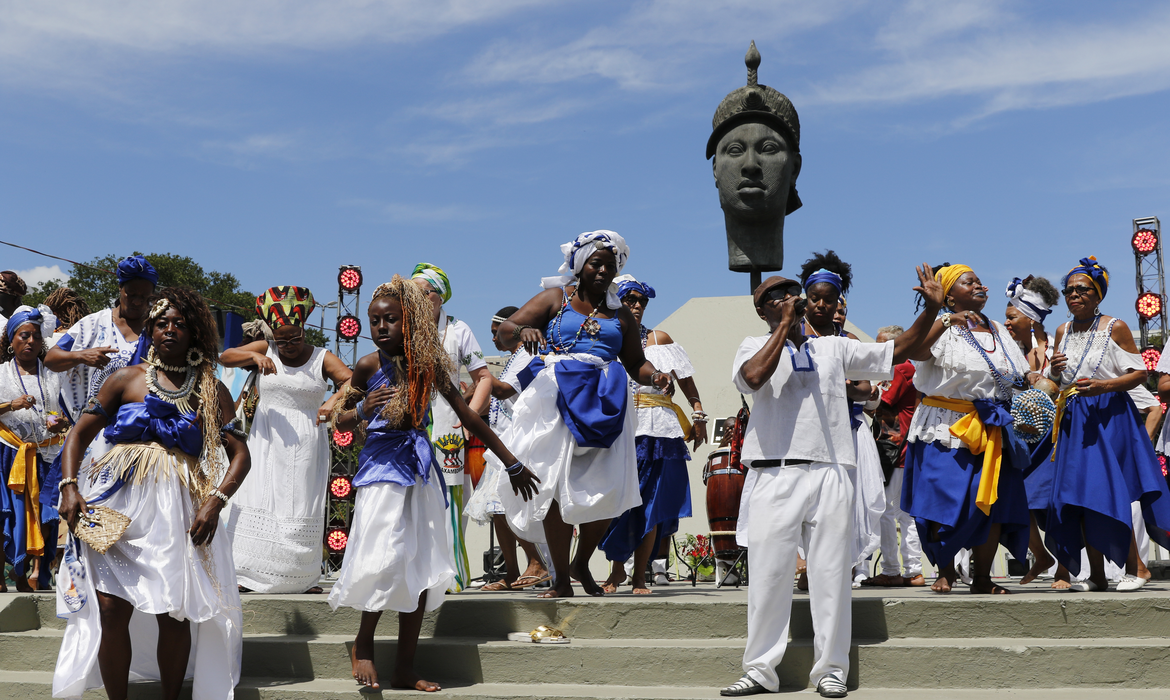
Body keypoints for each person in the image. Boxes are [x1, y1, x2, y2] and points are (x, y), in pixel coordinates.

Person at [720, 267, 943, 698]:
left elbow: (901, 349)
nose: (789, 300)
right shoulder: (752, 346)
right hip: (773, 471)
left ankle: (830, 670)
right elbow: (752, 379)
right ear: (762, 309)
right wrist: (784, 328)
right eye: (777, 298)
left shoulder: (835, 347)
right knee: (768, 576)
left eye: (792, 295)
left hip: (832, 470)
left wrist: (933, 308)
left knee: (832, 576)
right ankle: (760, 670)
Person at [327, 276, 538, 692]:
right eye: (374, 320)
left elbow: (471, 415)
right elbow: (338, 420)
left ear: (411, 322)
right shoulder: (369, 366)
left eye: (391, 319)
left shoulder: (430, 365)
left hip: (421, 471)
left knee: (420, 566)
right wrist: (362, 411)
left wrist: (511, 461)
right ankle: (364, 643)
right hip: (382, 470)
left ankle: (406, 665)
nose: (382, 327)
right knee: (383, 556)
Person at [53, 287, 250, 700]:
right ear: (151, 329)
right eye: (162, 323)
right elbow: (77, 436)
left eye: (180, 323)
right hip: (115, 505)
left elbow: (240, 456)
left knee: (173, 613)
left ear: (195, 332)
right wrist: (70, 487)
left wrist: (215, 501)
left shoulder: (211, 390)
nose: (170, 330)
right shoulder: (124, 378)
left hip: (176, 511)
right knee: (111, 610)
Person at [495, 230, 671, 599]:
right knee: (556, 486)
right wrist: (526, 328)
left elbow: (635, 362)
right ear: (580, 265)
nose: (604, 270)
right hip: (558, 395)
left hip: (607, 399)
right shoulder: (555, 298)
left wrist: (654, 376)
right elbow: (508, 331)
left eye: (611, 264)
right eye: (596, 263)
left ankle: (582, 562)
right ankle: (561, 577)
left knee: (607, 489)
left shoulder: (620, 313)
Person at [901, 264, 1035, 595]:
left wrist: (1033, 381)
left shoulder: (998, 330)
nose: (979, 285)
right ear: (948, 295)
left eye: (978, 280)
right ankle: (944, 570)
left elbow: (1016, 375)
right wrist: (942, 317)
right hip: (946, 426)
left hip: (992, 426)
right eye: (968, 281)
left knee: (989, 503)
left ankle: (982, 577)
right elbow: (916, 351)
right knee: (940, 499)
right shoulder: (941, 325)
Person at [1042, 257, 1170, 592]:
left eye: (1082, 289)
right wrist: (1054, 372)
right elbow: (1057, 382)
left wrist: (1103, 386)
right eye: (1068, 290)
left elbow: (1141, 374)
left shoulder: (1116, 326)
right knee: (1080, 494)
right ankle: (1096, 575)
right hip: (1074, 416)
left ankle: (1138, 568)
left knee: (1109, 490)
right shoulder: (1062, 330)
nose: (1074, 295)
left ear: (1097, 294)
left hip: (1109, 413)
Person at [221, 286, 353, 594]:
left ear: (305, 330)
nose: (289, 345)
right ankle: (248, 574)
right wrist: (254, 353)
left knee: (300, 504)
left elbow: (351, 380)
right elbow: (225, 356)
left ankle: (300, 577)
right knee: (258, 498)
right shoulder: (266, 348)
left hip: (307, 440)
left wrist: (333, 401)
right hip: (266, 440)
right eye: (283, 340)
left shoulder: (322, 357)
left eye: (295, 339)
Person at [599, 274, 707, 594]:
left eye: (641, 301)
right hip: (619, 429)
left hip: (658, 429)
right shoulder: (603, 338)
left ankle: (639, 576)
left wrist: (698, 413)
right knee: (619, 502)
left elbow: (685, 379)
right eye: (629, 299)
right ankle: (617, 569)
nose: (636, 306)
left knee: (651, 503)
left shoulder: (659, 339)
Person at [797, 252, 884, 589]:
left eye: (828, 299)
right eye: (814, 297)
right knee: (806, 505)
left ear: (837, 304)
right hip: (804, 435)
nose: (820, 304)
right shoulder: (791, 338)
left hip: (845, 432)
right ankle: (808, 567)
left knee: (843, 504)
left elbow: (864, 389)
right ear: (805, 298)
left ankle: (842, 566)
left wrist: (840, 384)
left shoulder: (848, 343)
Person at [410, 263, 491, 593]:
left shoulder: (458, 330)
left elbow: (484, 378)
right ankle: (415, 576)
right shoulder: (400, 327)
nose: (412, 298)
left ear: (437, 298)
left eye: (419, 292)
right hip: (409, 428)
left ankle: (453, 578)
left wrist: (470, 417)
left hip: (447, 429)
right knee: (410, 501)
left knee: (450, 504)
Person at [465, 306, 550, 591]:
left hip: (519, 443)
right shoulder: (513, 358)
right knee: (495, 509)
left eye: (496, 332)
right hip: (501, 442)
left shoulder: (531, 354)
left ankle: (536, 563)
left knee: (503, 506)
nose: (493, 339)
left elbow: (503, 391)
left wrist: (480, 379)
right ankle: (512, 572)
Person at [0, 305, 68, 592]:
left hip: (46, 455)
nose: (30, 342)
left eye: (36, 337)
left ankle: (36, 573)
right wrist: (10, 405)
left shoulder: (54, 376)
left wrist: (60, 423)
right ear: (11, 340)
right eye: (24, 335)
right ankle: (6, 574)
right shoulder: (1, 373)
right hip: (8, 452)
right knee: (7, 513)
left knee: (45, 515)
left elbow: (67, 415)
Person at [45, 255, 157, 422]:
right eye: (131, 294)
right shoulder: (92, 324)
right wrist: (81, 356)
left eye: (144, 298)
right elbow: (50, 359)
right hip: (90, 432)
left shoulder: (155, 331)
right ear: (120, 288)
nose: (137, 302)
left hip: (137, 431)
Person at [862, 325, 925, 587]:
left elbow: (880, 403)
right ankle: (912, 570)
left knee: (888, 511)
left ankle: (894, 570)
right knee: (900, 512)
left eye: (881, 344)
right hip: (898, 446)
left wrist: (855, 391)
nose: (877, 349)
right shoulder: (904, 368)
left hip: (895, 449)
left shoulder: (900, 368)